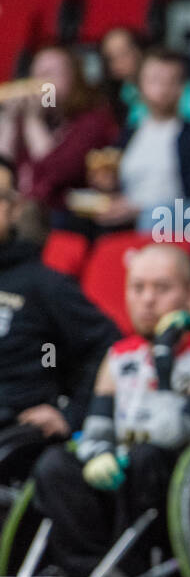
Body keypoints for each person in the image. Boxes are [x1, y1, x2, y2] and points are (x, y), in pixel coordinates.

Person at [29, 244, 190, 577]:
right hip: (131, 482)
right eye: (138, 288)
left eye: (162, 288)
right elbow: (97, 433)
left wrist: (163, 356)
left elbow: (172, 434)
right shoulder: (119, 356)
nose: (148, 300)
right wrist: (99, 455)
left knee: (148, 458)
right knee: (55, 466)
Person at [0, 176, 120, 438]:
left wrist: (73, 415)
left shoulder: (45, 284)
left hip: (16, 427)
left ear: (13, 209)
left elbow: (108, 344)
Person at [0, 45, 119, 219]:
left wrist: (34, 121)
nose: (41, 83)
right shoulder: (33, 118)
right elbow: (4, 166)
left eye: (50, 75)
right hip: (20, 211)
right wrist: (10, 119)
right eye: (37, 75)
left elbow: (57, 172)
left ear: (74, 78)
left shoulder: (93, 121)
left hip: (63, 215)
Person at [94, 48, 190, 231]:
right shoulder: (127, 135)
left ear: (181, 87)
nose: (162, 88)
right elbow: (115, 188)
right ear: (140, 84)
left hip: (173, 221)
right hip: (126, 220)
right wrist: (107, 185)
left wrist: (138, 209)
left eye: (170, 81)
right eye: (154, 80)